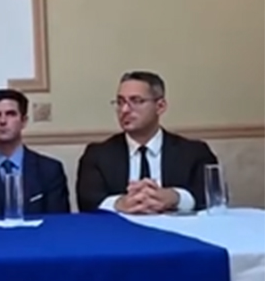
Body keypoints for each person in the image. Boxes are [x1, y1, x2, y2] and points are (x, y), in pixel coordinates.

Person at [76, 71, 218, 214]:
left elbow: (212, 198)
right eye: (120, 102)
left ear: (160, 106)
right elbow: (88, 202)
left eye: (136, 101)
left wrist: (176, 198)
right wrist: (119, 204)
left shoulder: (194, 153)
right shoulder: (97, 155)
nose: (124, 110)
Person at [0, 89, 70, 215]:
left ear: (24, 121)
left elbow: (58, 221)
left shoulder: (49, 170)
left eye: (11, 114)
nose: (2, 121)